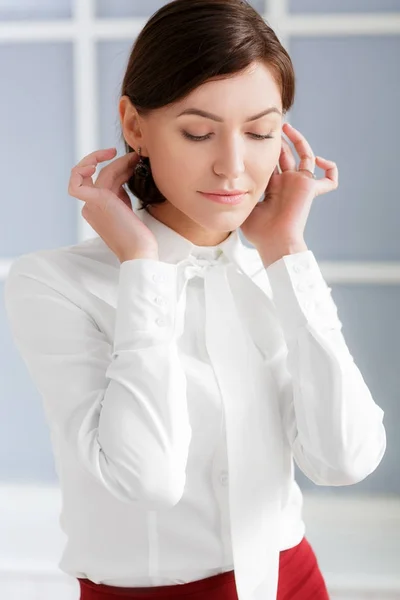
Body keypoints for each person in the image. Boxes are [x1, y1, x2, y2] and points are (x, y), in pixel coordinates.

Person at [4, 1, 386, 599]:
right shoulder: (50, 284)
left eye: (260, 133)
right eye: (199, 132)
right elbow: (147, 478)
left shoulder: (277, 271)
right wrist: (142, 268)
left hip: (294, 580)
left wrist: (289, 252)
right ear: (134, 125)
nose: (234, 167)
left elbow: (346, 459)